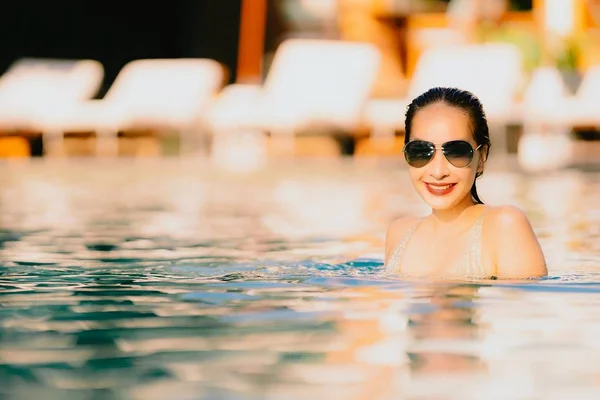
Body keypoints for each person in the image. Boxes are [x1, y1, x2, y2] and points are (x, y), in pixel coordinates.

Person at [385, 87, 547, 280]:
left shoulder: (505, 225)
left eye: (457, 152)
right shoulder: (399, 233)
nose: (438, 172)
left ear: (482, 157)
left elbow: (524, 307)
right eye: (420, 151)